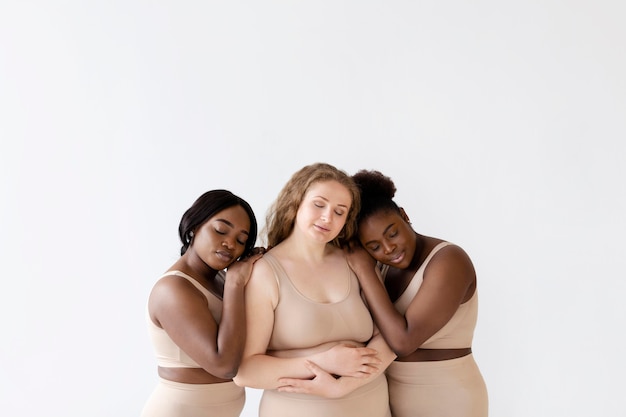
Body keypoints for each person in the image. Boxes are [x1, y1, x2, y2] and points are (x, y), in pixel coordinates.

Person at [233, 163, 396, 417]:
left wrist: (342, 386)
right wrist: (325, 362)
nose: (327, 218)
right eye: (319, 204)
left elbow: (389, 336)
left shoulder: (356, 260)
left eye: (339, 212)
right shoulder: (265, 273)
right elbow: (246, 371)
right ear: (295, 203)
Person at [345, 169, 489, 417]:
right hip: (393, 397)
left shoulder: (448, 260)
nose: (389, 248)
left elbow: (404, 342)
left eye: (392, 233)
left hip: (449, 398)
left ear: (404, 215)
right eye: (374, 246)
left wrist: (363, 268)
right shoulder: (380, 267)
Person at [141, 189, 264, 417]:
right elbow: (224, 365)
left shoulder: (220, 280)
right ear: (195, 226)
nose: (229, 244)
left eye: (241, 240)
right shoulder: (173, 289)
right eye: (220, 230)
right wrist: (236, 283)